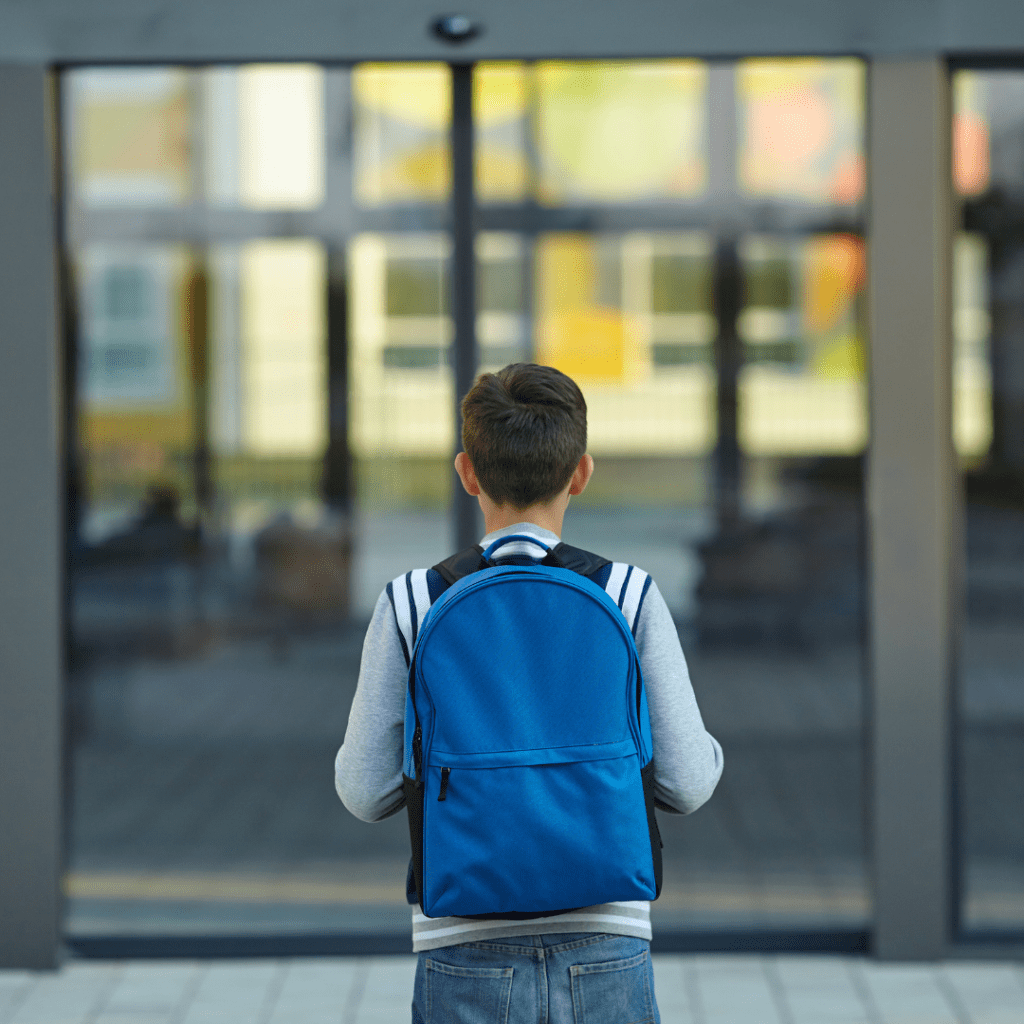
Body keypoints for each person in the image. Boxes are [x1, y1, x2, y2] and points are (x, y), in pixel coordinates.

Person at [336, 362, 723, 1024]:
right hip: (609, 938)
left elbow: (365, 790)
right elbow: (686, 784)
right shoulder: (629, 596)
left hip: (461, 943)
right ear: (581, 472)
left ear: (466, 473)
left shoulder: (411, 603)